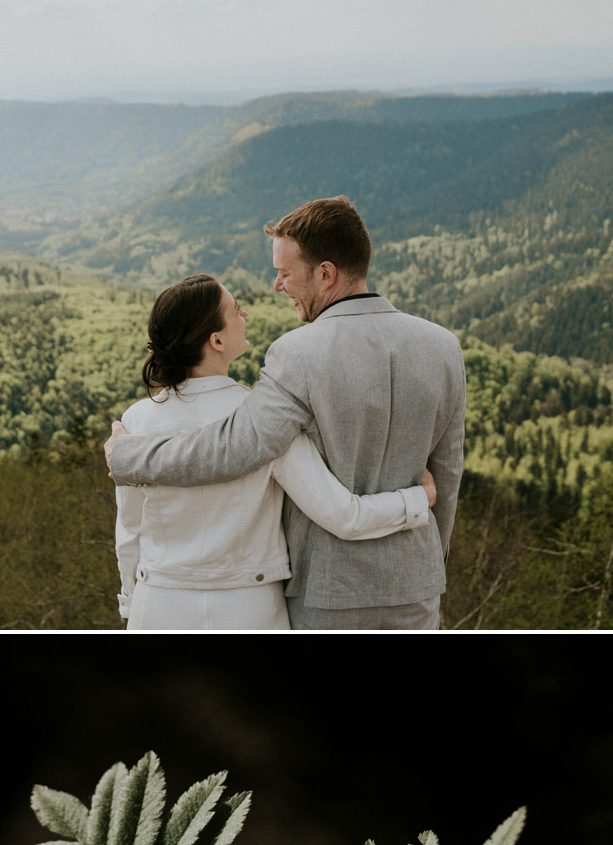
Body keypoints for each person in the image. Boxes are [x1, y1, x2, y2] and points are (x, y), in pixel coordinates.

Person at [106, 195, 466, 631]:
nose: (277, 285)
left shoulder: (296, 354)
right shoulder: (444, 346)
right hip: (418, 587)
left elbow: (234, 448)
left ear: (326, 274)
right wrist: (429, 560)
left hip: (326, 590)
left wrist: (130, 458)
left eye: (284, 273)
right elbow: (446, 473)